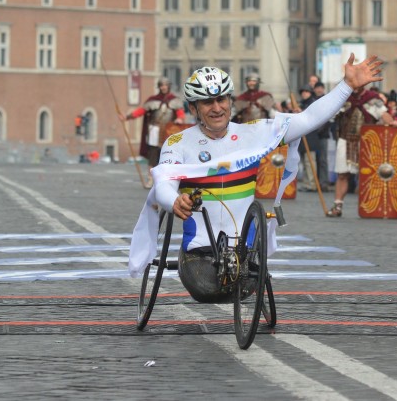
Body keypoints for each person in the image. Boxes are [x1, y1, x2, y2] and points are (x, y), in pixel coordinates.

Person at [127, 56, 384, 302]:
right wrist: (175, 201)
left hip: (245, 253)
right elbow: (163, 183)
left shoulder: (255, 132)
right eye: (207, 102)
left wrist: (346, 86)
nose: (217, 108)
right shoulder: (178, 142)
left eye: (221, 100)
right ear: (193, 108)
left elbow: (308, 119)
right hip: (199, 256)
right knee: (209, 286)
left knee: (241, 275)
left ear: (231, 102)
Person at [329, 80, 392, 217]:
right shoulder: (343, 97)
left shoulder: (372, 98)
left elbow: (384, 114)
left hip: (367, 143)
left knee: (370, 175)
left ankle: (373, 206)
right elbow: (329, 113)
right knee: (342, 174)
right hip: (345, 140)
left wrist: (393, 123)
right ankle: (337, 205)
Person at [122, 77, 186, 178]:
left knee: (169, 153)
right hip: (154, 130)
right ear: (159, 87)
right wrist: (127, 117)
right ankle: (151, 177)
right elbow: (141, 111)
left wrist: (180, 120)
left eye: (165, 85)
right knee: (153, 154)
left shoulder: (175, 100)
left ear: (168, 86)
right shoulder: (152, 100)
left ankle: (167, 177)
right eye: (161, 85)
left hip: (169, 131)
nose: (163, 87)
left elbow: (180, 114)